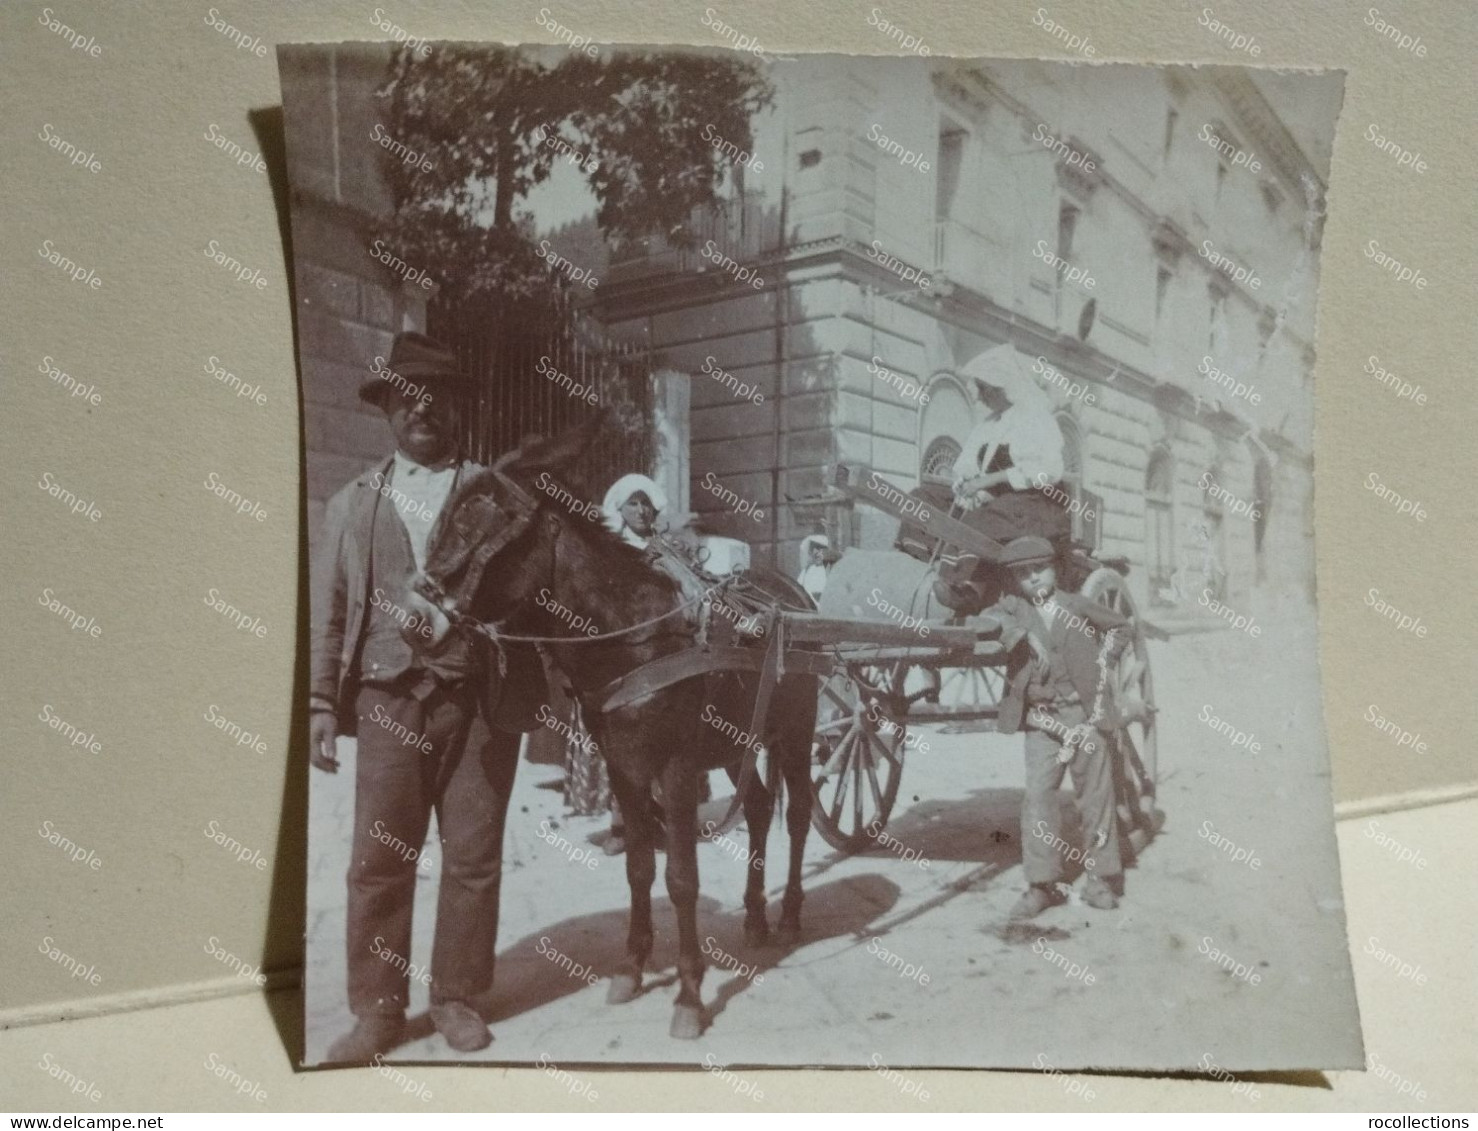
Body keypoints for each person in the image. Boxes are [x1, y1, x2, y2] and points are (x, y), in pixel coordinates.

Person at [308, 331, 545, 1062]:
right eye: (408, 397)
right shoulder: (352, 504)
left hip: (477, 701)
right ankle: (379, 1011)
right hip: (388, 700)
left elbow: (532, 601)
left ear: (457, 409)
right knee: (380, 858)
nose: (423, 410)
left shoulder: (499, 499)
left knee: (473, 854)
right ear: (388, 409)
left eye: (438, 399)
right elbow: (332, 609)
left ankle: (456, 995)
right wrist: (320, 701)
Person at [980, 536, 1132, 920]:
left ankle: (1100, 879)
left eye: (1039, 569)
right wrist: (1021, 635)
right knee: (1038, 798)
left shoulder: (1077, 605)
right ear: (1015, 580)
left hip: (1085, 717)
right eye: (1023, 574)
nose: (1033, 579)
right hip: (1042, 721)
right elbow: (983, 619)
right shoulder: (1012, 609)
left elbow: (1120, 627)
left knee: (1095, 795)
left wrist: (1103, 659)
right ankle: (1041, 884)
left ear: (1055, 569)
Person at [796, 533, 831, 605]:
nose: (818, 553)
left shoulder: (830, 569)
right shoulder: (807, 570)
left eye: (821, 549)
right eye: (814, 550)